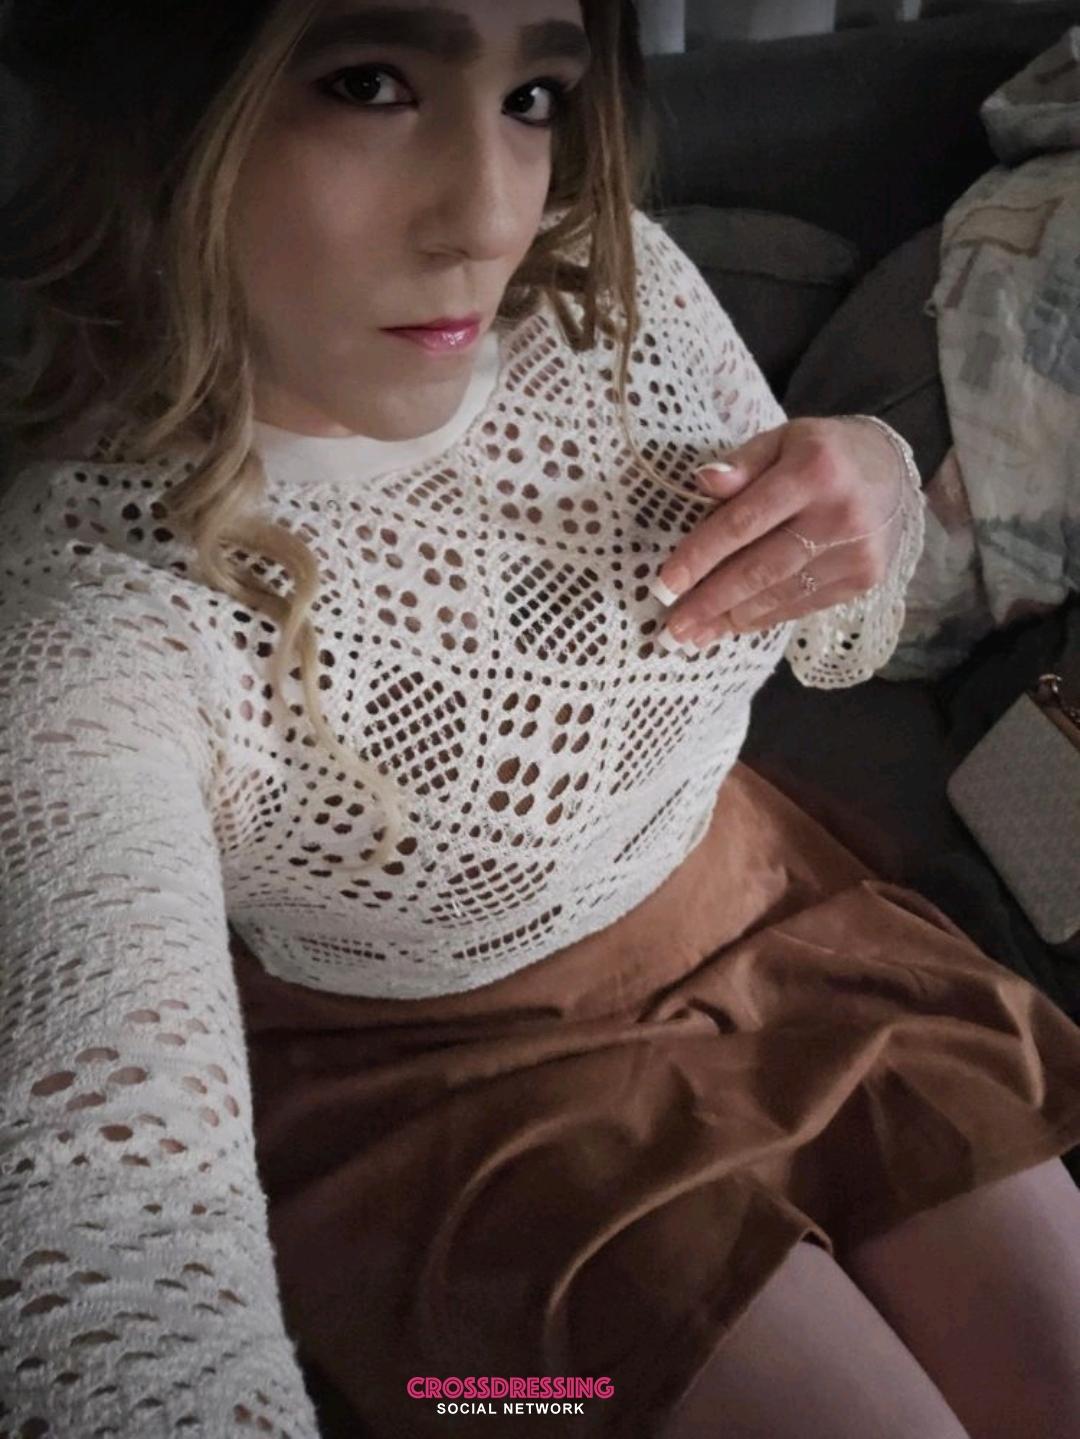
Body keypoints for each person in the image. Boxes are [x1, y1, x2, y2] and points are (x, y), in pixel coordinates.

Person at [0, 3, 1078, 1437]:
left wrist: (873, 486)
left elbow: (828, 621)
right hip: (457, 1128)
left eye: (533, 97)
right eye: (369, 83)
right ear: (159, 109)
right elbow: (121, 1226)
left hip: (793, 938)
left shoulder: (611, 285)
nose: (491, 216)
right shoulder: (100, 618)